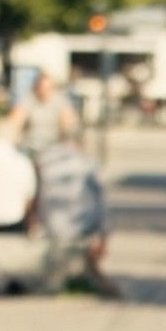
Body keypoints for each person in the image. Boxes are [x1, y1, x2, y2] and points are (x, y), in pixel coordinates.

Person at [29, 105, 121, 298]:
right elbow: (100, 202)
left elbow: (35, 196)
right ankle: (101, 284)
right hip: (80, 225)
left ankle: (94, 282)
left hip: (51, 225)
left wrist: (33, 223)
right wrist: (103, 234)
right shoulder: (87, 162)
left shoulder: (44, 159)